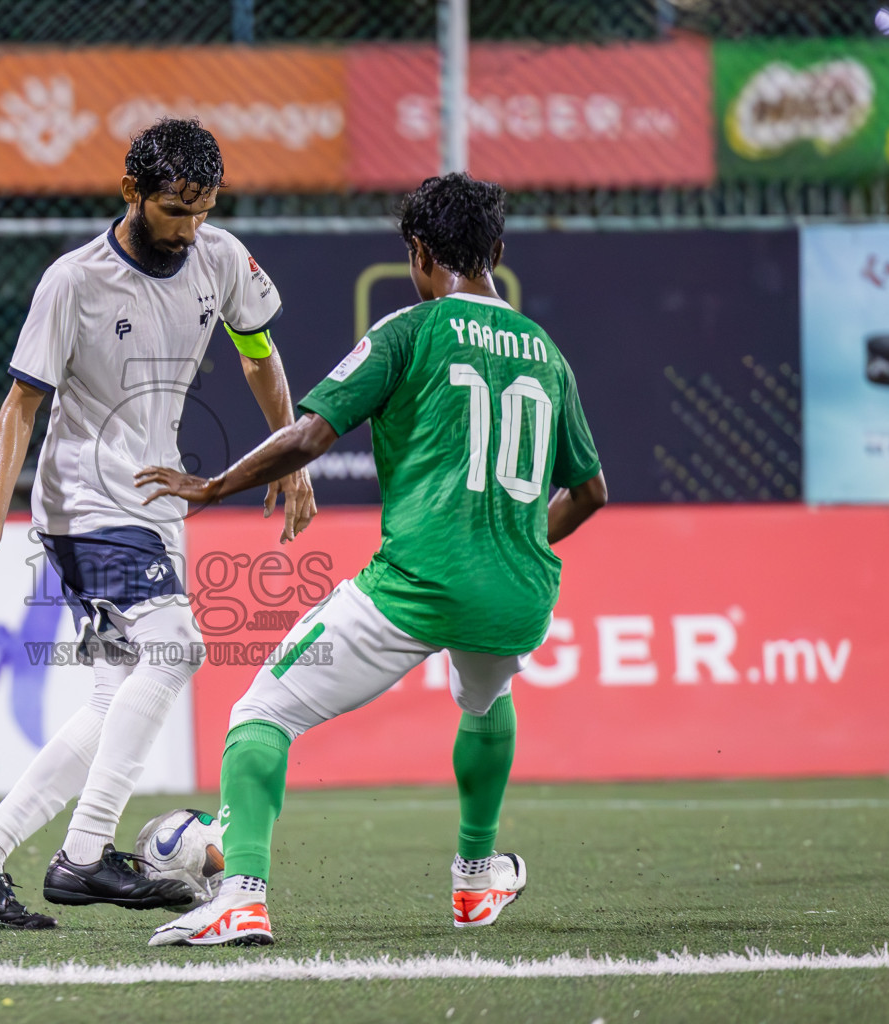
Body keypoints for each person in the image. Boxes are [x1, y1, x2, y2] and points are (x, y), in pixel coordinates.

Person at [137, 172, 608, 946]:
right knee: (486, 700)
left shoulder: (408, 332)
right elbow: (590, 493)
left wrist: (214, 484)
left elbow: (311, 436)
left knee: (262, 713)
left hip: (417, 586)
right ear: (495, 249)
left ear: (418, 253)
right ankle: (475, 878)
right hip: (517, 595)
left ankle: (242, 895)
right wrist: (510, 541)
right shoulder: (547, 354)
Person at [0, 118, 317, 929]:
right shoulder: (74, 282)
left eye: (204, 209)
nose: (190, 228)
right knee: (177, 648)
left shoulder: (219, 256)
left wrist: (291, 455)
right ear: (130, 190)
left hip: (155, 502)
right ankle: (88, 855)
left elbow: (257, 352)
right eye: (176, 210)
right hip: (86, 502)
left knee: (113, 698)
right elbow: (20, 403)